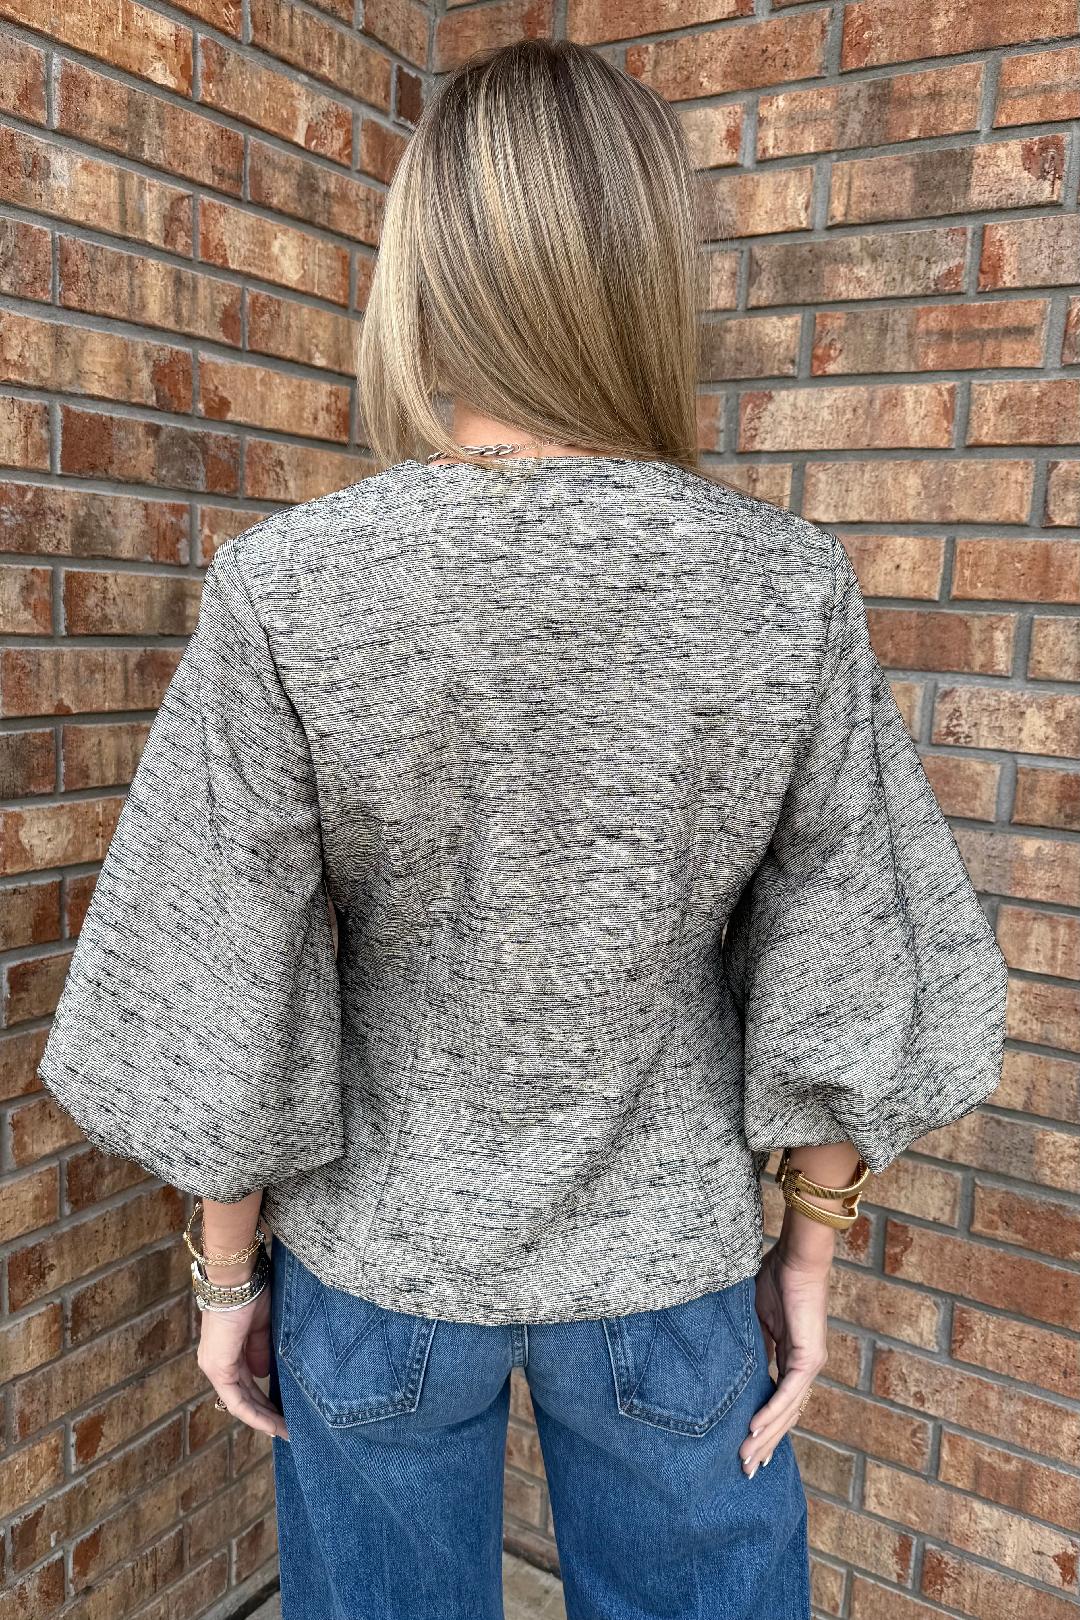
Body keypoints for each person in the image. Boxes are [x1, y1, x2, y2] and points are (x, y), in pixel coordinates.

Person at [36, 35, 1008, 1620]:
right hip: (671, 1279)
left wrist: (223, 1278)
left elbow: (220, 986)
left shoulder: (291, 588)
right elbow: (854, 962)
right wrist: (812, 1254)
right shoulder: (781, 587)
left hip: (379, 1271)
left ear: (426, 270)